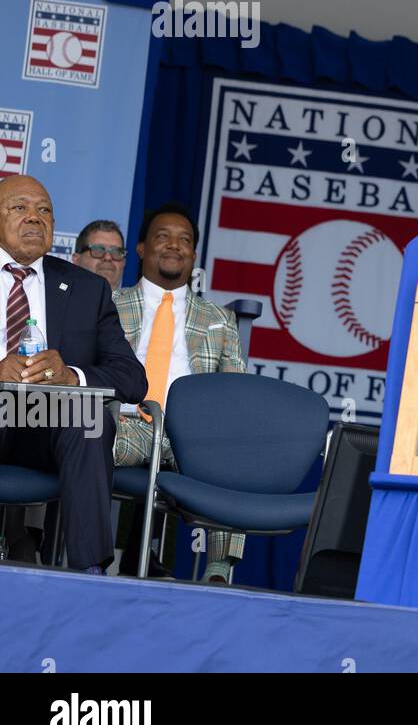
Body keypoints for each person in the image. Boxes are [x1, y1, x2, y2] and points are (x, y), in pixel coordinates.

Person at [0, 175, 147, 572]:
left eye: (45, 210)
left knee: (90, 420)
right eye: (20, 208)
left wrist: (71, 377)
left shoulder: (85, 289)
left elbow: (132, 379)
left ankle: (88, 575)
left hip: (47, 420)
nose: (34, 218)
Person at [113, 203, 248, 583]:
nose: (174, 246)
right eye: (163, 237)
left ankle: (219, 570)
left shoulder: (219, 319)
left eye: (184, 240)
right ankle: (87, 557)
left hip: (193, 436)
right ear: (141, 248)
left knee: (235, 448)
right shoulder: (110, 304)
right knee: (81, 436)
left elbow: (236, 389)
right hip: (126, 423)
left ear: (194, 254)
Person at [71, 219, 128, 293]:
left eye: (116, 251)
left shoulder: (141, 304)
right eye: (98, 250)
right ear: (76, 260)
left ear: (124, 262)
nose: (108, 257)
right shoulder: (57, 301)